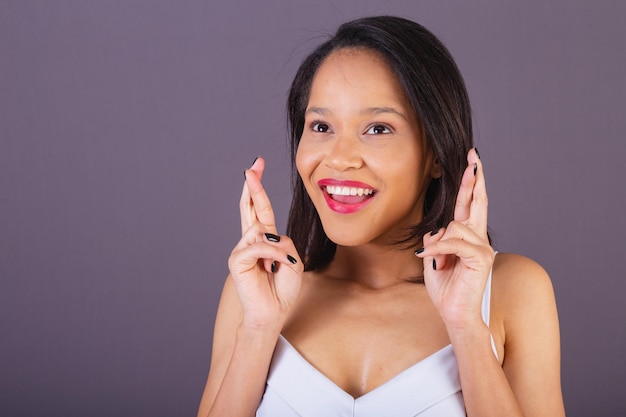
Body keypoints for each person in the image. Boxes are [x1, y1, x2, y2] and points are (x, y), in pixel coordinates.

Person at [197, 16, 565, 416]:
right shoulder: (253, 294)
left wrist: (467, 329)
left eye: (377, 129)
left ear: (436, 156)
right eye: (321, 125)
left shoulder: (514, 292)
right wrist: (257, 330)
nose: (338, 158)